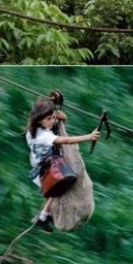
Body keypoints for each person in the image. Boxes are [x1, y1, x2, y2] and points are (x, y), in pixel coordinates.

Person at [26, 97, 100, 233]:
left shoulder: (32, 131)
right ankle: (43, 217)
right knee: (57, 190)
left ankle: (44, 216)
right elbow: (64, 140)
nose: (53, 120)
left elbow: (61, 117)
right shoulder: (44, 136)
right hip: (46, 171)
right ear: (39, 120)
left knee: (52, 195)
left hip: (39, 163)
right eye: (49, 119)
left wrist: (58, 114)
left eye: (53, 117)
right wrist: (88, 137)